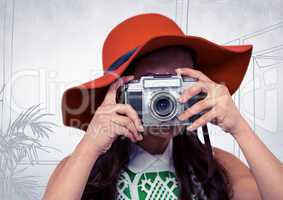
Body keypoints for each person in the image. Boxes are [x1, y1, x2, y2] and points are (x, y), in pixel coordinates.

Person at [43, 13, 283, 200]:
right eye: (153, 86)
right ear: (119, 93)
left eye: (177, 83)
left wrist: (240, 128)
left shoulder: (220, 166)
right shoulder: (80, 169)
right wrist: (90, 146)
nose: (165, 100)